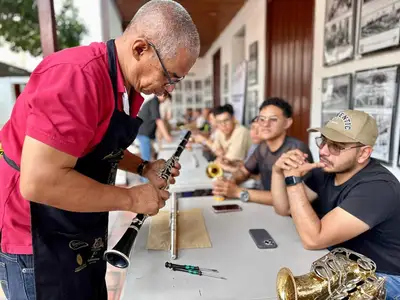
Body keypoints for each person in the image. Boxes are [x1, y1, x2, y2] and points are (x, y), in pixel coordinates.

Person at [0, 0, 200, 299]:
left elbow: (96, 147)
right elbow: (40, 181)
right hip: (36, 235)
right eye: (170, 77)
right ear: (140, 49)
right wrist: (132, 198)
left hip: (77, 225)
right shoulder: (74, 77)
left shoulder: (124, 85)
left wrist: (144, 167)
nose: (168, 89)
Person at [271, 110, 400, 298]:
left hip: (382, 277)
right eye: (322, 141)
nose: (322, 150)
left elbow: (313, 239)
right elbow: (284, 208)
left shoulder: (378, 188)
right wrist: (278, 170)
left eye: (336, 146)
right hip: (341, 264)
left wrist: (293, 181)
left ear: (363, 153)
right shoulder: (327, 171)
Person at [212, 98, 313, 205]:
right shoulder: (262, 147)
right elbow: (243, 171)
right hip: (267, 209)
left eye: (273, 119)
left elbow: (288, 198)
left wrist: (238, 192)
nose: (265, 124)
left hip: (293, 217)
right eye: (262, 119)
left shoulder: (296, 150)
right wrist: (230, 181)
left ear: (287, 123)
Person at [137, 92, 173, 167]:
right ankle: (144, 178)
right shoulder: (154, 102)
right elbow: (158, 120)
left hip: (145, 133)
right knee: (145, 159)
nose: (165, 100)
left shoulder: (154, 102)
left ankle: (145, 177)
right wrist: (167, 136)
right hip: (144, 133)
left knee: (149, 156)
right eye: (165, 98)